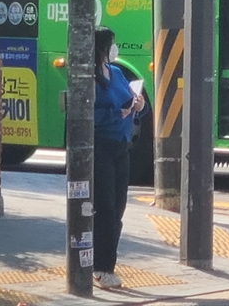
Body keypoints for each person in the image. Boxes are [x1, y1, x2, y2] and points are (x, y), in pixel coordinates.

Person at [92, 26, 145, 289]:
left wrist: (138, 104)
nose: (115, 49)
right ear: (102, 48)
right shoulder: (88, 77)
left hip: (121, 147)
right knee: (105, 207)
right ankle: (101, 267)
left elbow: (131, 97)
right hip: (101, 146)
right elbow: (86, 116)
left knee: (118, 208)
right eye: (112, 44)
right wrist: (118, 114)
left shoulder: (115, 72)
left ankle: (105, 264)